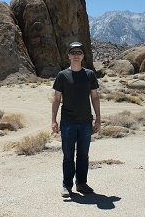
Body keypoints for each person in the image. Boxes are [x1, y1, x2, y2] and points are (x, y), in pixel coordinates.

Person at [52, 41, 101, 198]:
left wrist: (98, 119)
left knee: (83, 155)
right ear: (68, 55)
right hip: (68, 122)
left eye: (79, 52)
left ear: (83, 56)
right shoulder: (62, 76)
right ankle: (67, 185)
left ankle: (81, 183)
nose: (76, 55)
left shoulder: (90, 75)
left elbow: (95, 96)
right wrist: (53, 120)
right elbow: (56, 98)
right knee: (68, 156)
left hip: (86, 122)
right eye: (73, 52)